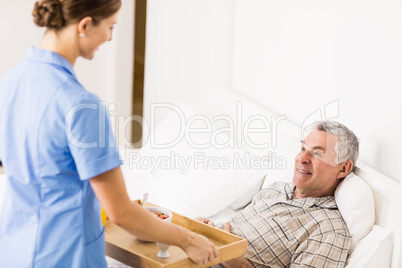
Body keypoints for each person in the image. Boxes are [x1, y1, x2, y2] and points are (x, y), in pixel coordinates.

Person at [0, 0, 218, 267]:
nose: (111, 37)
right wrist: (187, 238)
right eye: (110, 26)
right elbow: (121, 212)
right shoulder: (82, 105)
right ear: (85, 25)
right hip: (65, 257)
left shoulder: (10, 81)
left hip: (13, 251)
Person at [197, 120, 359, 268]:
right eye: (303, 148)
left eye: (317, 153)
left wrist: (228, 254)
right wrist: (201, 231)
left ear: (343, 168)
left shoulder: (327, 229)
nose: (302, 158)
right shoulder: (275, 189)